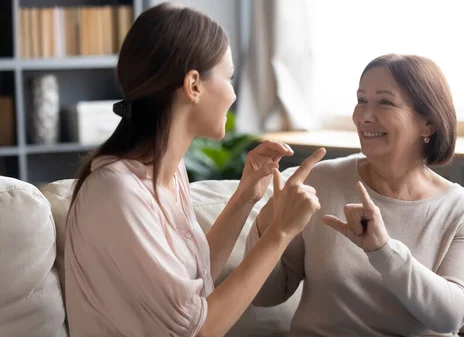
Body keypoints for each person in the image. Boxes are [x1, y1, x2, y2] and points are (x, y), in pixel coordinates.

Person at [64, 3, 326, 337]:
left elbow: (194, 285)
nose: (232, 93)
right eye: (229, 77)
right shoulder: (117, 191)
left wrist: (246, 195)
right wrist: (281, 232)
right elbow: (200, 329)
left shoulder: (168, 173)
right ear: (193, 85)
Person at [246, 54, 464, 337]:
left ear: (428, 123)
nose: (363, 116)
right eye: (361, 100)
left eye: (384, 102)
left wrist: (383, 250)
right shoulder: (321, 181)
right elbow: (266, 296)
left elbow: (450, 317)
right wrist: (270, 220)